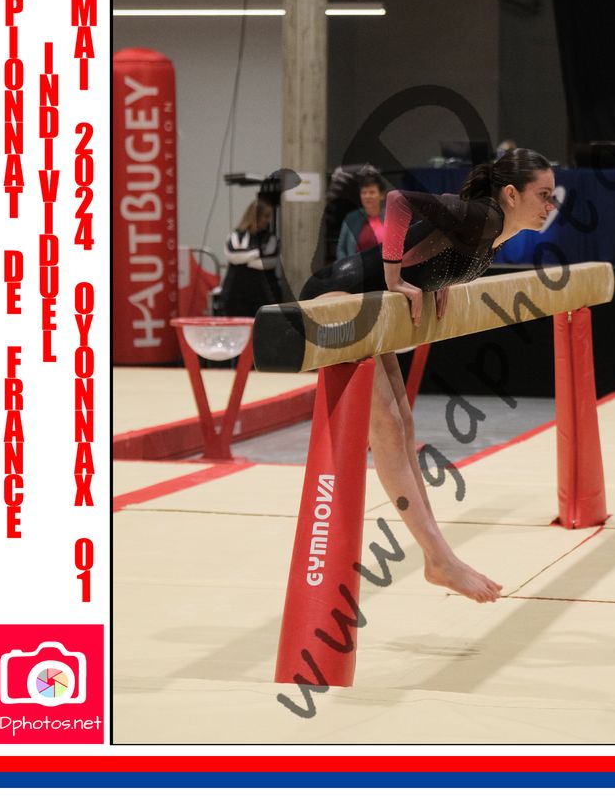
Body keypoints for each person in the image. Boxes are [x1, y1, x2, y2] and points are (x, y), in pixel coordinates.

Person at [301, 148, 558, 603]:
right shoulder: (483, 216)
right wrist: (394, 277)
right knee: (387, 427)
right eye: (543, 194)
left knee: (402, 424)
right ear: (512, 194)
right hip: (335, 298)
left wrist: (436, 282)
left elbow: (432, 246)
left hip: (364, 305)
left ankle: (437, 557)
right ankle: (439, 558)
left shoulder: (493, 231)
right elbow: (398, 201)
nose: (550, 205)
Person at [216, 197, 283, 316]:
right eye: (266, 216)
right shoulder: (236, 235)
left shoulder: (270, 238)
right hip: (234, 295)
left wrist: (245, 259)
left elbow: (270, 262)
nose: (268, 220)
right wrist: (257, 253)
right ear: (255, 216)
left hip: (264, 296)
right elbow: (233, 256)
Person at [335, 170, 388, 260]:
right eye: (364, 193)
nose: (367, 196)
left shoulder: (391, 218)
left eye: (372, 192)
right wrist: (347, 266)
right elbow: (341, 249)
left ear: (382, 195)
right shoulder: (351, 218)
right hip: (356, 267)